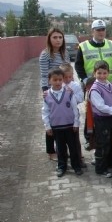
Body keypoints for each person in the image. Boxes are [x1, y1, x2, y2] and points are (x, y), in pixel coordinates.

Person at [41, 68, 82, 177]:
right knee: (60, 149)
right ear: (49, 81)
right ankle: (61, 166)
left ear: (63, 80)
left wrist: (76, 123)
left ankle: (76, 166)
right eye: (55, 80)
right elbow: (45, 112)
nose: (58, 82)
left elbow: (74, 109)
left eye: (60, 80)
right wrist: (47, 126)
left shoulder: (69, 92)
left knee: (73, 148)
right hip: (56, 127)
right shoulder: (47, 95)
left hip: (69, 126)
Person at [89, 61, 112, 177]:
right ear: (94, 73)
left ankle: (109, 165)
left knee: (110, 142)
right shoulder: (95, 89)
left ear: (108, 73)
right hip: (101, 119)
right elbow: (100, 106)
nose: (102, 76)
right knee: (102, 144)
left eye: (104, 73)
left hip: (110, 118)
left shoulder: (109, 84)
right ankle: (100, 168)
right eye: (99, 73)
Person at [39, 28, 70, 161]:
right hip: (51, 91)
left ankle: (63, 149)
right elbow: (44, 75)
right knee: (52, 121)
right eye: (55, 37)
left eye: (60, 37)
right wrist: (46, 92)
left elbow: (67, 73)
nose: (58, 40)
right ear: (49, 39)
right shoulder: (45, 55)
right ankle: (51, 152)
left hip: (64, 91)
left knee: (63, 119)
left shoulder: (65, 53)